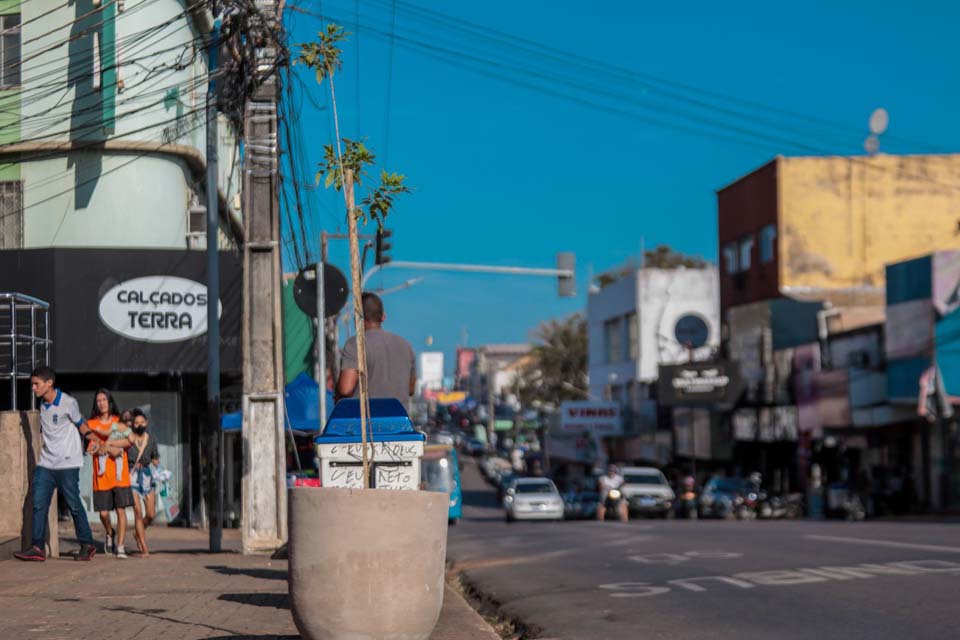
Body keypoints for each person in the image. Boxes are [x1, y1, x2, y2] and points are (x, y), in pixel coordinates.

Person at [14, 367, 97, 561]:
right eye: (32, 384)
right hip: (47, 463)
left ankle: (87, 544)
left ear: (49, 383)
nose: (33, 388)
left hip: (68, 463)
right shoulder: (43, 405)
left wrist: (93, 439)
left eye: (37, 384)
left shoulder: (68, 402)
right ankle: (37, 547)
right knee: (38, 503)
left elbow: (81, 424)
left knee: (73, 505)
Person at [336, 292, 416, 411]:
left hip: (365, 423)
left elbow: (345, 388)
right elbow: (410, 390)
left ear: (357, 318)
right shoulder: (406, 346)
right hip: (400, 422)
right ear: (383, 317)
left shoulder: (355, 344)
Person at [87, 389, 134, 559]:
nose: (101, 403)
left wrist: (111, 445)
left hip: (120, 475)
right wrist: (101, 447)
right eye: (98, 400)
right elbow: (90, 448)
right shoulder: (91, 424)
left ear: (110, 401)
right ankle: (109, 532)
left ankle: (120, 546)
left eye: (104, 399)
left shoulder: (119, 421)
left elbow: (130, 440)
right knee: (104, 513)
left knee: (121, 511)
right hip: (101, 476)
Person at [127, 408, 160, 556]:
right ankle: (144, 548)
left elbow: (155, 457)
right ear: (133, 424)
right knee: (138, 513)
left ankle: (137, 534)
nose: (139, 424)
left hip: (147, 476)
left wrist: (159, 466)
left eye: (142, 422)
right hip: (132, 476)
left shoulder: (151, 439)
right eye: (136, 422)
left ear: (146, 423)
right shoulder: (128, 439)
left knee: (151, 514)